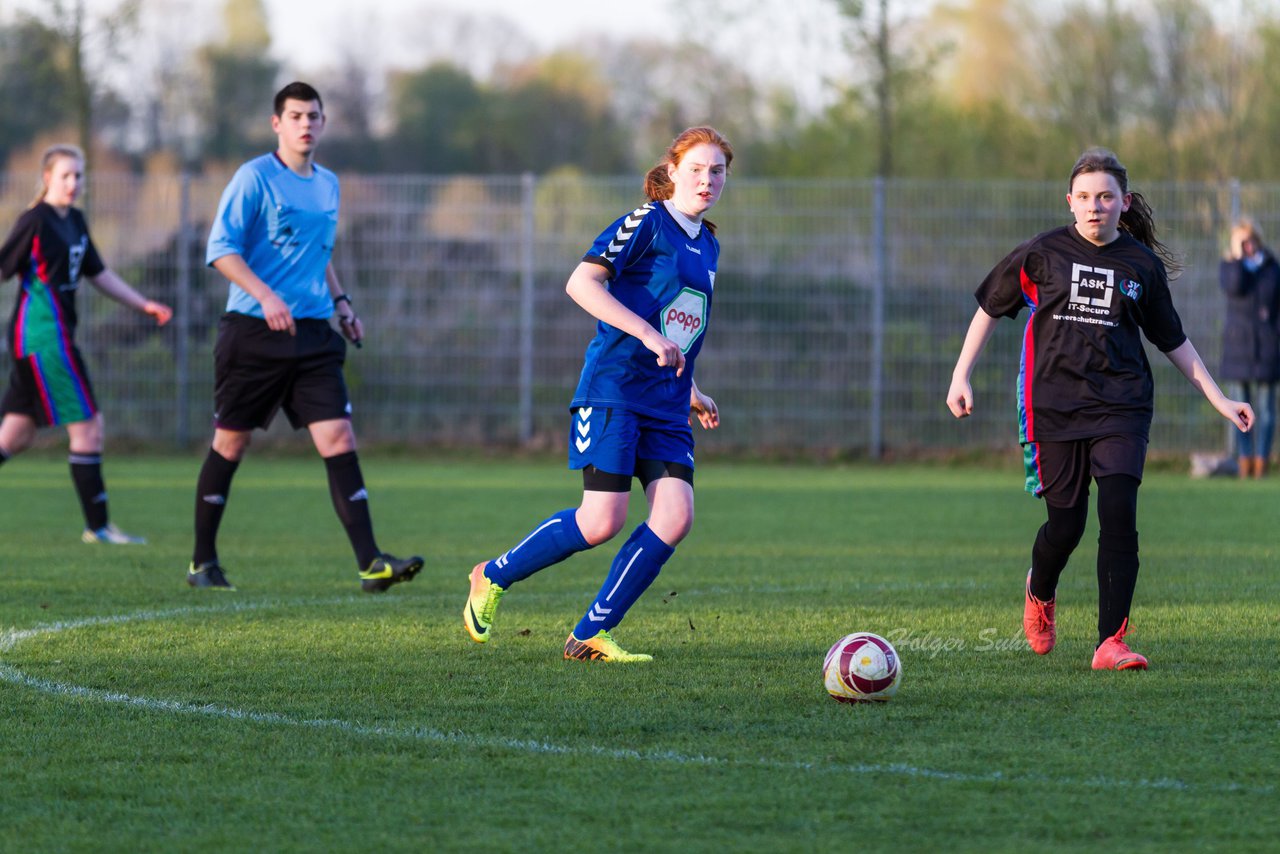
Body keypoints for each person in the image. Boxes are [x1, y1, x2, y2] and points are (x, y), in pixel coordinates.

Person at [946, 147, 1254, 671]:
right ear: (1070, 202)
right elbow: (990, 306)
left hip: (1123, 405)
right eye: (1085, 197)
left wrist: (1220, 398)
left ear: (1123, 202)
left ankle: (1110, 642)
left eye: (1106, 196)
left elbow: (1173, 341)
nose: (1095, 206)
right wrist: (961, 375)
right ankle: (1040, 589)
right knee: (1065, 526)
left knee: (1119, 514)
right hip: (1054, 406)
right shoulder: (1042, 254)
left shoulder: (1141, 265)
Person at [463, 127, 730, 662]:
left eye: (717, 171)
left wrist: (693, 387)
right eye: (697, 169)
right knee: (600, 521)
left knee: (676, 516)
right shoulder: (646, 222)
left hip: (669, 402)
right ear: (672, 171)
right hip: (615, 390)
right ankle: (491, 575)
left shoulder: (710, 244)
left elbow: (679, 322)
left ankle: (590, 632)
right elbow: (581, 283)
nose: (707, 180)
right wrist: (648, 337)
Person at [189, 81, 422, 592]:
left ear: (322, 122)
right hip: (253, 332)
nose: (305, 124)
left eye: (313, 116)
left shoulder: (328, 184)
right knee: (231, 442)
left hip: (315, 334)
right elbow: (221, 249)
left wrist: (342, 305)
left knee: (338, 435)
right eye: (295, 116)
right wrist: (266, 295)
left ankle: (371, 564)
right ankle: (202, 562)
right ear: (277, 123)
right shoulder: (253, 178)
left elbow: (320, 254)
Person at [0, 144, 173, 544]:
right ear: (46, 178)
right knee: (90, 427)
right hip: (43, 338)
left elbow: (98, 272)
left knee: (14, 436)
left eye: (79, 175)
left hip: (55, 338)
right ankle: (98, 528)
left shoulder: (74, 220)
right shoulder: (35, 220)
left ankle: (98, 527)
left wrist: (142, 303)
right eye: (66, 175)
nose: (75, 183)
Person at [1219, 219, 1279, 479]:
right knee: (1239, 409)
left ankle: (1262, 461)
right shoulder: (1229, 267)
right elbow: (1234, 287)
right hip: (1238, 347)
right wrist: (1236, 258)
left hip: (1268, 347)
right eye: (1241, 242)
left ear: (1257, 239)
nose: (1247, 246)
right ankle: (1244, 461)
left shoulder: (1271, 267)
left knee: (1266, 410)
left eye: (1249, 240)